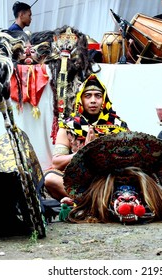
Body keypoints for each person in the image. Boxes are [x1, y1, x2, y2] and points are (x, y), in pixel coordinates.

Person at [44, 74, 129, 204]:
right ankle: (93, 203)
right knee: (50, 179)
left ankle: (84, 204)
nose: (93, 100)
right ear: (81, 99)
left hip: (110, 181)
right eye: (88, 96)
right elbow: (57, 163)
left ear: (104, 99)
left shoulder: (118, 126)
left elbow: (131, 159)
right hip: (80, 183)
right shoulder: (69, 126)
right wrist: (82, 153)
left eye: (98, 96)